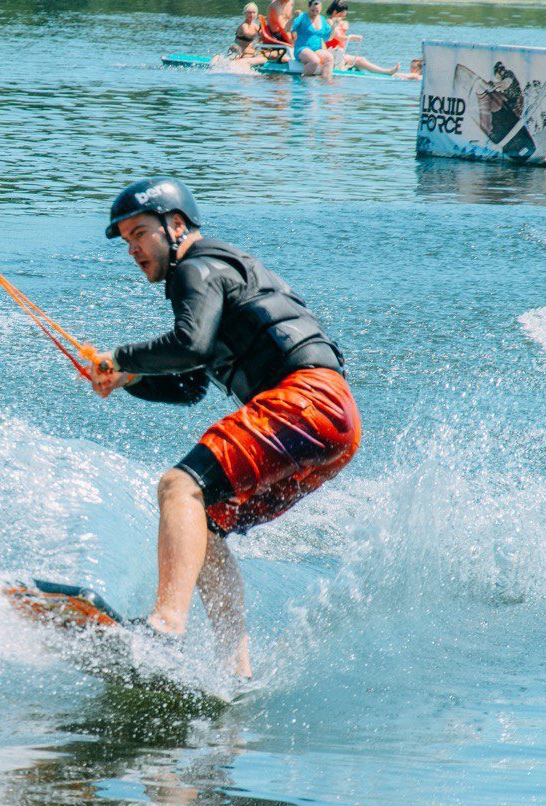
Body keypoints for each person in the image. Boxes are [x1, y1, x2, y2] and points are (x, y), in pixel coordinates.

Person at [92, 177, 360, 679]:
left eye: (140, 234)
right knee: (206, 523)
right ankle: (235, 668)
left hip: (307, 401)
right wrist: (127, 379)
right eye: (126, 240)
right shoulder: (213, 284)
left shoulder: (197, 268)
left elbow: (188, 346)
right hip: (334, 427)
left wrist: (121, 355)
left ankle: (166, 625)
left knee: (178, 488)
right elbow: (189, 385)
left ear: (176, 226)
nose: (132, 249)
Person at [324, 0, 400, 75]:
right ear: (335, 12)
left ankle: (385, 72)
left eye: (344, 15)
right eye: (341, 15)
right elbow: (338, 37)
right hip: (332, 52)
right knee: (360, 60)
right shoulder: (329, 21)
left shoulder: (342, 23)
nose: (343, 17)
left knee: (360, 60)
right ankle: (386, 72)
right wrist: (352, 38)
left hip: (339, 52)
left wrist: (341, 23)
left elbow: (345, 26)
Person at [291, 0, 334, 78]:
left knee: (330, 58)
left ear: (321, 8)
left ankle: (326, 83)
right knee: (315, 61)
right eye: (312, 10)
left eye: (317, 10)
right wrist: (294, 17)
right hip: (302, 48)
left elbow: (328, 38)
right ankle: (303, 81)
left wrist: (332, 26)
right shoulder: (302, 17)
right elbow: (287, 29)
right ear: (309, 7)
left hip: (317, 49)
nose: (314, 13)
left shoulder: (323, 20)